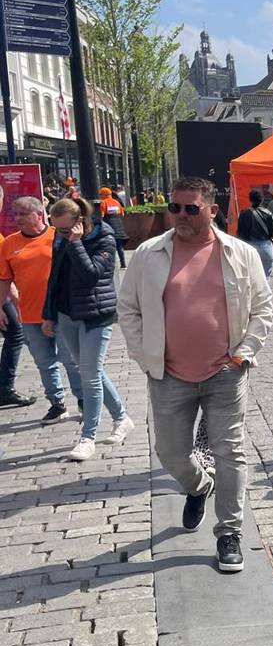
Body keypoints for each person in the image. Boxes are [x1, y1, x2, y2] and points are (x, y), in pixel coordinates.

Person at [117, 176, 273, 574]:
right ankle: (198, 486)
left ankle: (229, 534)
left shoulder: (239, 253)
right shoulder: (149, 253)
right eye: (175, 207)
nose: (181, 216)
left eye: (191, 208)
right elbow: (129, 308)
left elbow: (262, 307)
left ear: (212, 210)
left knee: (230, 452)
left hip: (226, 372)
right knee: (169, 452)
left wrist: (244, 353)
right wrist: (144, 354)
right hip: (168, 374)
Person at [42, 197, 132, 461]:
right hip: (67, 313)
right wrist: (49, 314)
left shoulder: (104, 237)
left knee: (89, 376)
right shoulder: (62, 237)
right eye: (57, 229)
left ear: (80, 221)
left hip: (95, 315)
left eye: (66, 229)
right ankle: (122, 418)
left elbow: (91, 274)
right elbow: (55, 278)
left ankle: (87, 437)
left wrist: (75, 243)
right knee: (89, 370)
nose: (61, 233)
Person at [0, 196, 80, 423]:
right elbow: (4, 280)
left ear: (38, 214)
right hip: (30, 314)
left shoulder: (57, 236)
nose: (18, 219)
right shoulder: (9, 244)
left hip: (62, 312)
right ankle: (57, 403)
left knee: (71, 359)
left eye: (23, 214)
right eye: (15, 214)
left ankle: (83, 399)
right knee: (44, 363)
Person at [234, 189, 273, 278]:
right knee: (266, 276)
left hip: (249, 246)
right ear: (262, 199)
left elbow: (240, 233)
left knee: (251, 275)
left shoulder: (244, 214)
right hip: (266, 246)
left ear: (250, 199)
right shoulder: (268, 213)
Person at [98, 187, 128, 268]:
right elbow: (122, 213)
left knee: (110, 247)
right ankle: (123, 264)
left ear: (104, 194)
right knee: (119, 246)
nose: (99, 196)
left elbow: (102, 215)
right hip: (119, 226)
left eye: (100, 194)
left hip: (109, 226)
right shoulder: (116, 202)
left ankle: (112, 265)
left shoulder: (103, 202)